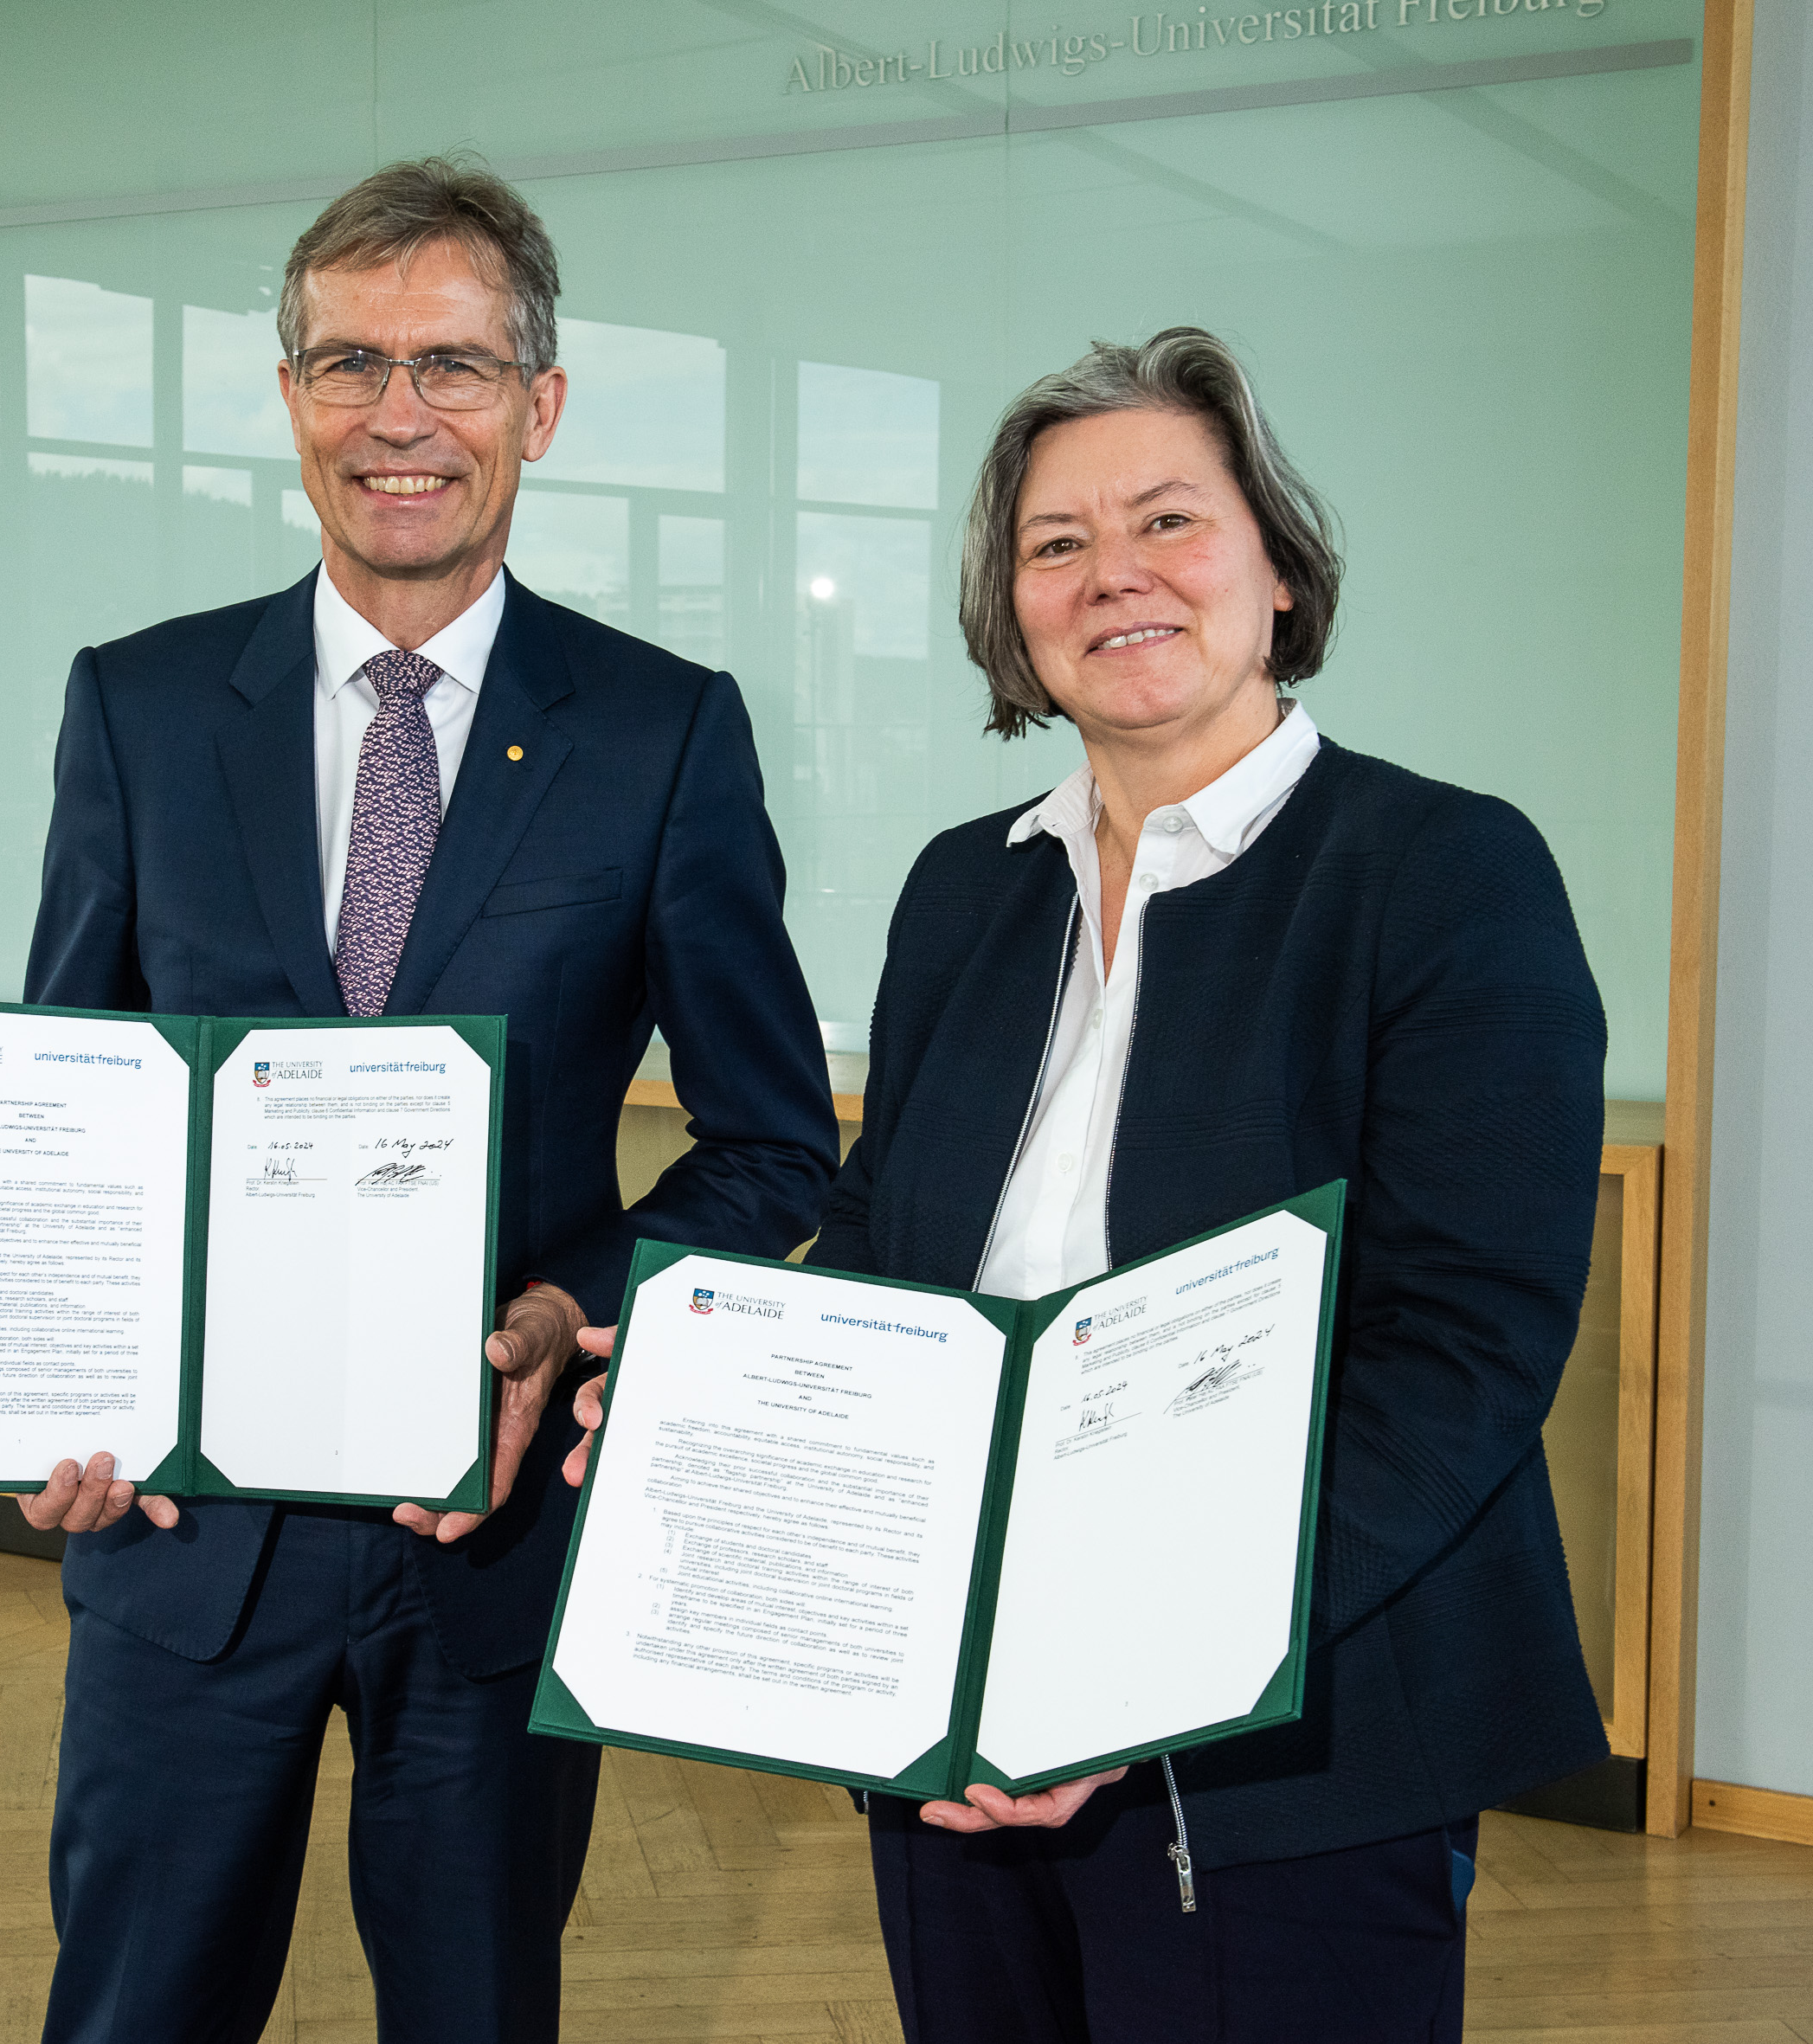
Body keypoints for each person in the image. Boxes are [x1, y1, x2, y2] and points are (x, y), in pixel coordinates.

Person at [570, 326, 1608, 2039]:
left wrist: (1146, 1671)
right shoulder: (963, 891)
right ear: (1013, 609)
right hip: (952, 1721)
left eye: (1171, 522)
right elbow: (902, 1253)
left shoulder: (1440, 869)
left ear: (1278, 566)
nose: (1113, 574)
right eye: (1058, 543)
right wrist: (708, 1397)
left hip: (1294, 1744)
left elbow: (1467, 1347)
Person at [0, 157, 840, 2043]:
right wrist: (46, 1378)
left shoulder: (659, 730)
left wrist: (565, 1312)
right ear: (290, 396)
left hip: (492, 1550)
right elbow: (74, 1104)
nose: (397, 417)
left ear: (537, 404)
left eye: (450, 366)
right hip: (182, 1545)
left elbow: (774, 1135)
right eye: (348, 362)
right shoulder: (134, 707)